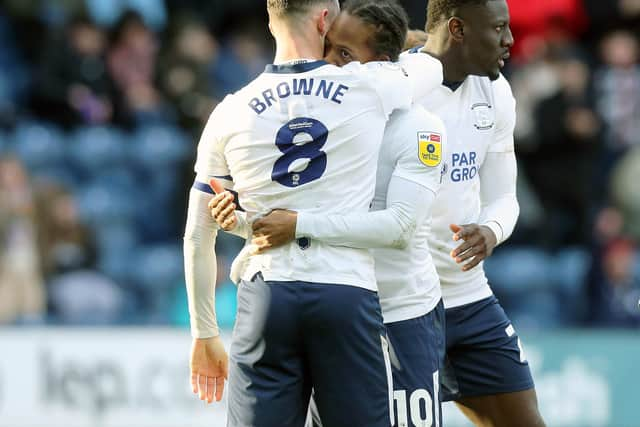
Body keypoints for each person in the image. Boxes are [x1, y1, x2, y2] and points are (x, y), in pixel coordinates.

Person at [183, 1, 440, 425]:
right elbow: (432, 65)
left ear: (270, 20)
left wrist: (204, 333)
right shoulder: (370, 84)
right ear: (325, 21)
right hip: (344, 291)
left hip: (268, 293)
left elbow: (197, 234)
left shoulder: (230, 109)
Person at [401, 1, 546, 425]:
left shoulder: (496, 91)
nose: (510, 40)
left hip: (468, 297)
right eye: (499, 27)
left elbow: (506, 197)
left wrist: (490, 230)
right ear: (459, 29)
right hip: (401, 302)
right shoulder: (398, 88)